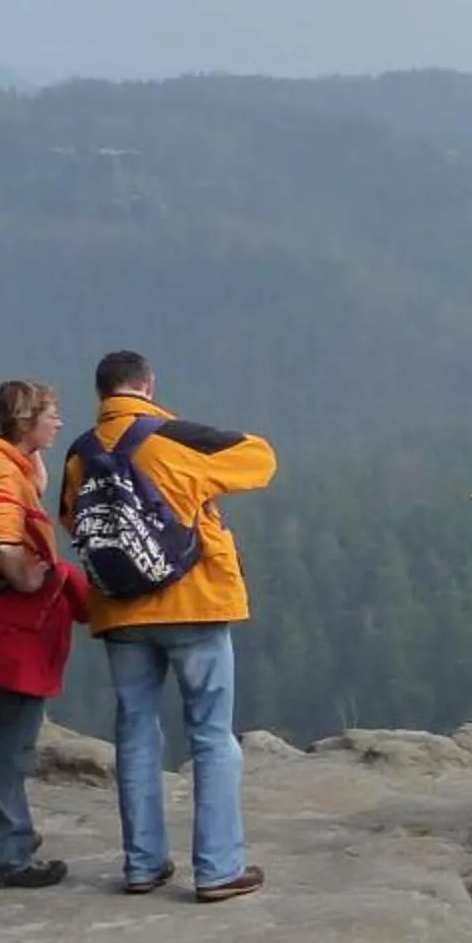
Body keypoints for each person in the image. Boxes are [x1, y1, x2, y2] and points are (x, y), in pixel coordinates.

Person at [63, 351, 278, 902]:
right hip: (194, 601)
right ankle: (218, 868)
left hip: (120, 609)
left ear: (101, 393)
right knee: (210, 733)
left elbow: (72, 518)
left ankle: (143, 865)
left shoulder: (79, 453)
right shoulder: (173, 437)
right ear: (147, 385)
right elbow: (260, 460)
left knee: (135, 730)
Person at [0, 381, 91, 890]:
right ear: (25, 420)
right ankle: (5, 855)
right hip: (16, 619)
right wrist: (28, 575)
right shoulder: (3, 474)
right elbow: (5, 536)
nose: (58, 422)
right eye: (52, 413)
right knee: (12, 739)